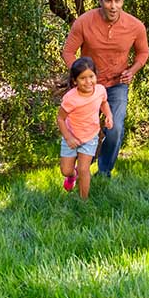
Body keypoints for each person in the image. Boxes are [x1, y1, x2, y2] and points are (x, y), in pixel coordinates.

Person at [62, 0, 149, 177]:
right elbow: (67, 52)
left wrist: (132, 70)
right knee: (82, 129)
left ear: (122, 1)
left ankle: (104, 172)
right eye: (108, 1)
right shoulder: (84, 22)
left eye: (117, 1)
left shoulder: (135, 26)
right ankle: (78, 166)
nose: (113, 6)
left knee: (115, 129)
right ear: (100, 1)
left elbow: (143, 52)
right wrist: (80, 76)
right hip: (88, 88)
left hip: (117, 84)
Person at [57, 57, 113, 199]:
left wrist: (109, 116)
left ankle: (84, 201)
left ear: (96, 75)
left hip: (90, 137)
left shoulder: (100, 90)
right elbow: (60, 118)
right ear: (75, 81)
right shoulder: (70, 98)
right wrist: (68, 137)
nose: (88, 82)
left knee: (84, 169)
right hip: (71, 137)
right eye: (83, 78)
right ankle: (72, 176)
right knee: (66, 170)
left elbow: (104, 103)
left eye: (91, 76)